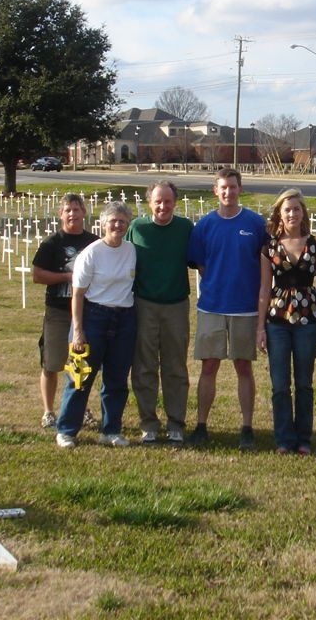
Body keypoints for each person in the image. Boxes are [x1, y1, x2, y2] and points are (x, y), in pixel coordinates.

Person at [186, 168, 268, 449]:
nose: (228, 192)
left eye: (233, 187)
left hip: (246, 308)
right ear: (215, 190)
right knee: (209, 365)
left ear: (240, 189)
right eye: (223, 188)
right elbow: (200, 263)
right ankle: (201, 425)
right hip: (212, 307)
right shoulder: (205, 226)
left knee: (243, 366)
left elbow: (266, 264)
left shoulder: (256, 224)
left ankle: (246, 427)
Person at [55, 201, 137, 449]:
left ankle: (111, 430)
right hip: (94, 317)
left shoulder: (131, 250)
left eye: (122, 221)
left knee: (117, 379)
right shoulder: (91, 253)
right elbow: (77, 294)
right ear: (103, 223)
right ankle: (67, 430)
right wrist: (78, 332)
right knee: (80, 378)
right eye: (113, 220)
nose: (118, 225)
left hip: (124, 318)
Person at [257, 188, 316, 455]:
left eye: (297, 209)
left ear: (303, 213)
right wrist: (260, 328)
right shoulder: (269, 247)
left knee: (305, 383)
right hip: (277, 320)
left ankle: (304, 439)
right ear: (280, 213)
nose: (292, 214)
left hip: (308, 319)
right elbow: (264, 289)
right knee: (280, 384)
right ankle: (284, 438)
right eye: (287, 209)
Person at [127, 180, 195, 444]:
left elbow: (199, 261)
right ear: (149, 203)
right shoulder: (137, 227)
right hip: (144, 304)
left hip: (176, 305)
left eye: (168, 201)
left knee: (175, 366)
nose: (163, 206)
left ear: (174, 202)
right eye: (158, 201)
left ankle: (176, 423)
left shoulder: (184, 228)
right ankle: (148, 423)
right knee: (144, 365)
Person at [32, 193, 98, 430]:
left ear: (84, 213)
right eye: (68, 210)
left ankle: (82, 409)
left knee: (81, 363)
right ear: (61, 214)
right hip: (58, 311)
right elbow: (37, 275)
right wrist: (69, 277)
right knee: (52, 363)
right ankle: (49, 411)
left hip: (86, 312)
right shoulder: (52, 243)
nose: (72, 214)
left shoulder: (94, 242)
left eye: (77, 209)